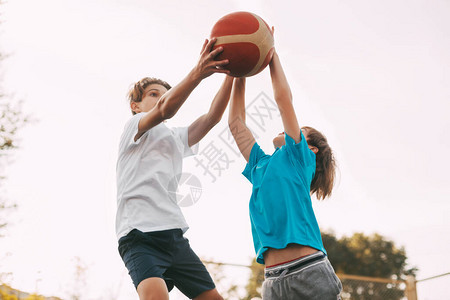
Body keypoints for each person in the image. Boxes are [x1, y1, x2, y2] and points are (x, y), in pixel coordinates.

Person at [116, 38, 232, 300]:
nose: (162, 98)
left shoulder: (175, 137)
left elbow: (213, 117)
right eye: (154, 94)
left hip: (173, 236)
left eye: (165, 93)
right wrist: (199, 72)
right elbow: (166, 109)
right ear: (136, 106)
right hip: (139, 236)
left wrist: (233, 75)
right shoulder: (133, 128)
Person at [228, 50, 342, 299]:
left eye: (301, 132)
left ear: (310, 149)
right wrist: (240, 73)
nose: (287, 129)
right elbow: (236, 124)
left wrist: (271, 55)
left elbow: (283, 100)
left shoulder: (299, 159)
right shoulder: (260, 164)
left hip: (309, 273)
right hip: (272, 281)